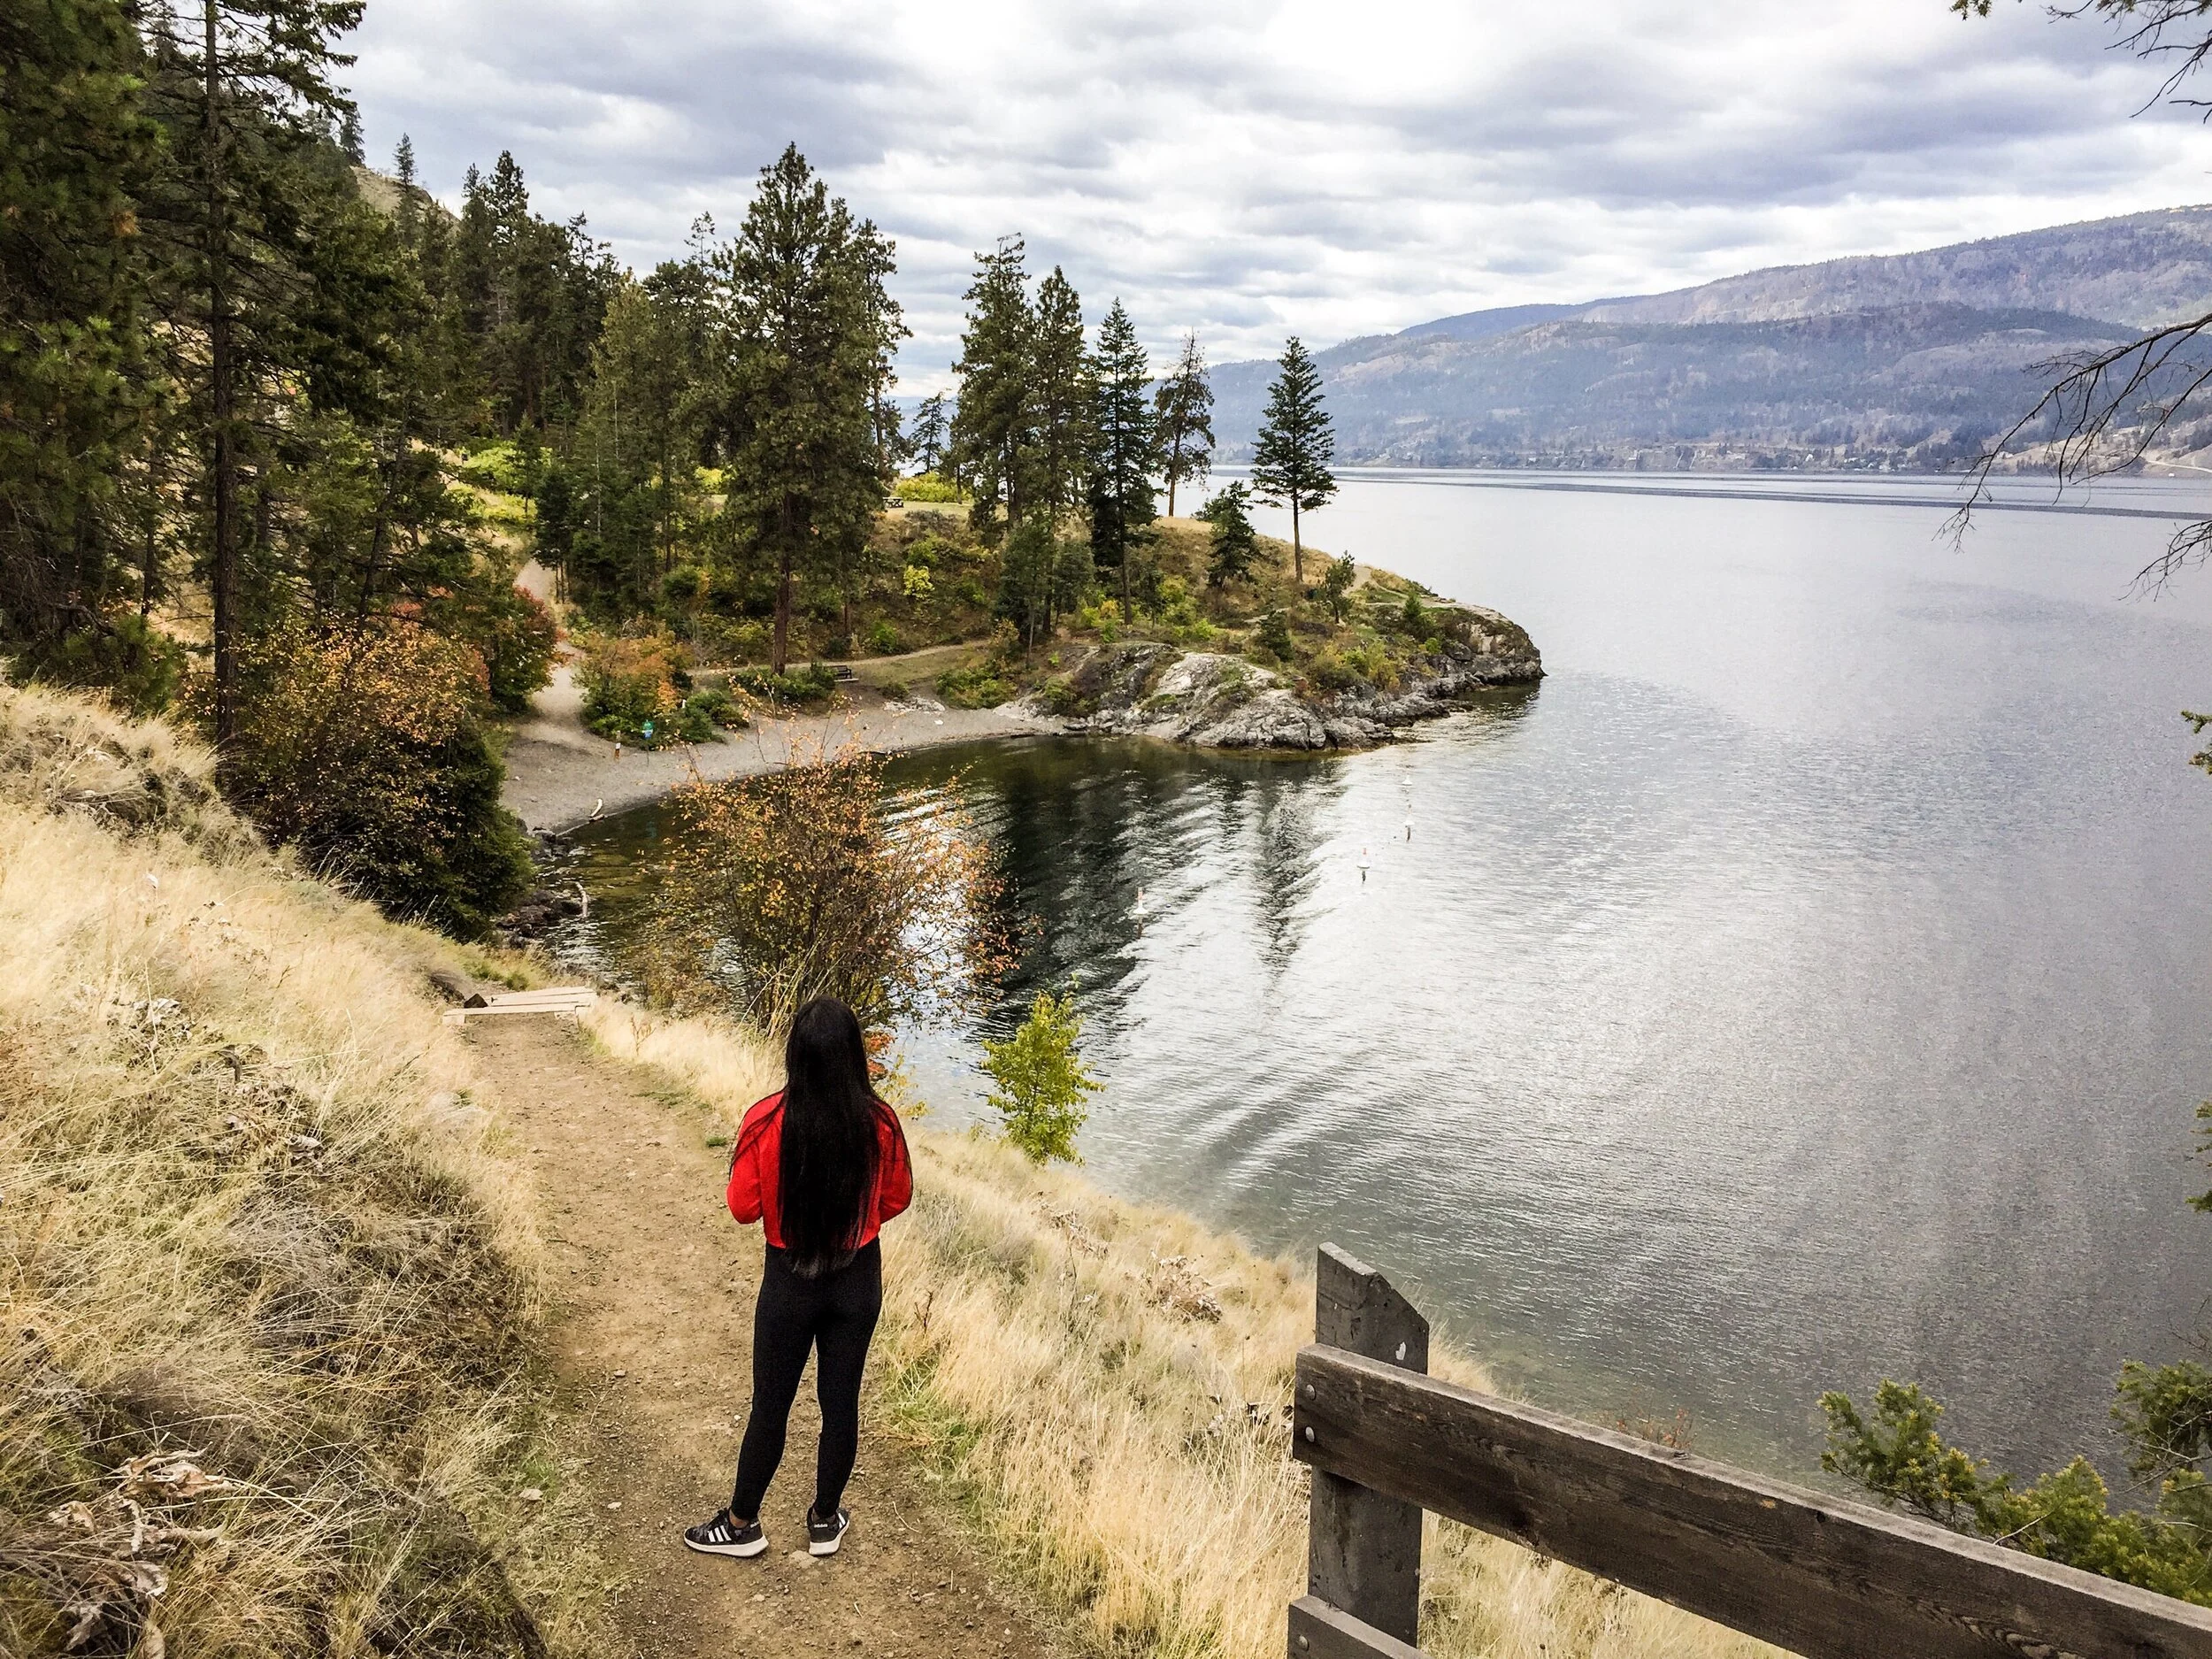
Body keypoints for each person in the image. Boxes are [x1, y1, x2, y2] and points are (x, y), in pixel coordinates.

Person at [683, 997, 912, 1561]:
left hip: (789, 1279)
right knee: (842, 1403)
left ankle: (741, 1523)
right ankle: (825, 1519)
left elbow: (742, 1207)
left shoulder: (765, 1121)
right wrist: (858, 1221)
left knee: (772, 1404)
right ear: (856, 1055)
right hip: (859, 1276)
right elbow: (897, 1197)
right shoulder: (879, 1122)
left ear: (795, 1055)